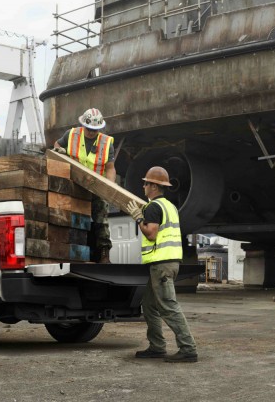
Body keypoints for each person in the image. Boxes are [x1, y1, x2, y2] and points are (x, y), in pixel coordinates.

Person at [126, 166, 198, 363]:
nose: (143, 186)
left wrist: (138, 218)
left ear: (154, 187)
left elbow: (151, 233)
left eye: (146, 183)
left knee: (168, 306)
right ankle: (157, 347)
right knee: (148, 304)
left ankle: (188, 348)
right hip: (166, 263)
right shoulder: (170, 206)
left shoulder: (154, 207)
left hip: (162, 264)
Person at [53, 108, 116, 263]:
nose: (90, 132)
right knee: (75, 218)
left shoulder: (106, 143)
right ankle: (75, 251)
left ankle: (104, 253)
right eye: (88, 129)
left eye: (94, 130)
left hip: (96, 187)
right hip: (75, 185)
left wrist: (108, 188)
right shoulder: (71, 135)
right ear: (83, 125)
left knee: (101, 218)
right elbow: (56, 145)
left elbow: (110, 168)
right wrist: (61, 152)